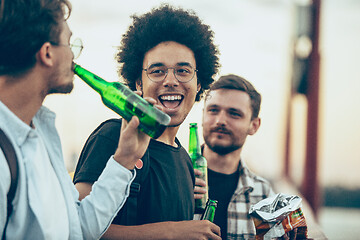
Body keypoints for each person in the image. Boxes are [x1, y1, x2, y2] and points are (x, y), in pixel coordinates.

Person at [0, 0, 149, 239]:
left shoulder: (41, 134)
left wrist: (125, 158)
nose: (73, 56)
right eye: (69, 43)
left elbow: (77, 228)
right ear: (47, 53)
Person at [73, 4, 222, 240]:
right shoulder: (113, 136)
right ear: (138, 84)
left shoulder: (185, 161)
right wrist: (174, 232)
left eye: (183, 71)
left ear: (199, 83)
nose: (171, 80)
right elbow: (75, 229)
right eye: (157, 71)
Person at [195, 74, 275, 239]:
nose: (220, 120)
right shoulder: (174, 177)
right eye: (213, 110)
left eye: (234, 114)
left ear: (254, 125)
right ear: (203, 116)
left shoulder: (263, 194)